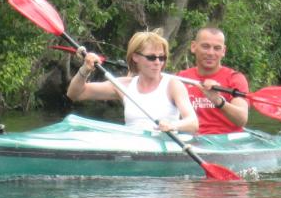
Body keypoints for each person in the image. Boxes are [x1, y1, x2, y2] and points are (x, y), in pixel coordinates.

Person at [66, 31, 198, 134]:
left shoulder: (173, 85)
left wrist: (173, 125)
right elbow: (75, 94)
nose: (158, 62)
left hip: (164, 149)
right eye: (151, 57)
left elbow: (193, 123)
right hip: (132, 148)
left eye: (162, 57)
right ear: (135, 57)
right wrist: (85, 69)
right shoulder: (123, 86)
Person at [177, 26, 249, 135]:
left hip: (225, 140)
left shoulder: (235, 78)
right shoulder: (180, 78)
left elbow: (242, 119)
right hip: (191, 139)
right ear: (193, 47)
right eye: (205, 47)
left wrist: (218, 101)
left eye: (217, 48)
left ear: (223, 51)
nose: (211, 53)